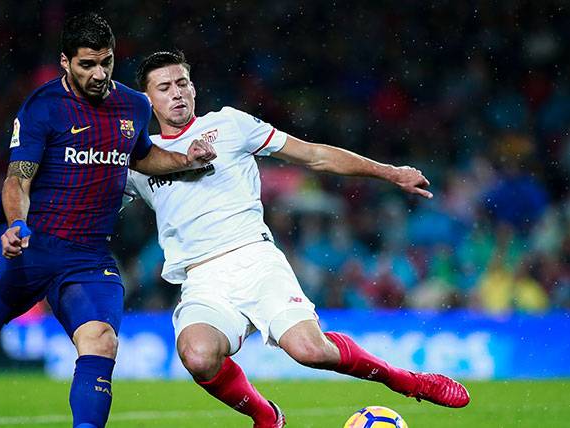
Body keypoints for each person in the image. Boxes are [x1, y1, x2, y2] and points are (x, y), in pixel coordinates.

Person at [0, 14, 215, 428]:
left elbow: (138, 156)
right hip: (27, 246)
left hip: (87, 256)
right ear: (66, 62)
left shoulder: (134, 105)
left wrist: (183, 160)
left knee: (100, 341)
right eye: (87, 64)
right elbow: (18, 179)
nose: (99, 73)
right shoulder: (42, 107)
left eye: (107, 62)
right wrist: (14, 224)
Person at [125, 50, 471, 428]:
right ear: (147, 100)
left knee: (310, 351)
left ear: (193, 88)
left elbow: (314, 156)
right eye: (165, 87)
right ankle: (267, 418)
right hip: (202, 280)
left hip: (255, 260)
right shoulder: (139, 159)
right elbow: (88, 190)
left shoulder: (230, 125)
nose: (177, 93)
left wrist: (390, 172)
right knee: (197, 354)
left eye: (183, 83)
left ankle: (407, 381)